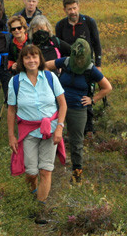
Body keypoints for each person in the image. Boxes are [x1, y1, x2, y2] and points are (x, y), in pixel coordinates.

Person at [8, 45, 67, 225]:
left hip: (51, 130)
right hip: (28, 132)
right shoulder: (16, 82)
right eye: (27, 58)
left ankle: (40, 208)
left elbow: (62, 105)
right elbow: (11, 110)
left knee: (45, 170)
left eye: (34, 57)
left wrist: (59, 128)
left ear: (40, 59)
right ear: (22, 61)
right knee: (31, 172)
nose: (31, 61)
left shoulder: (50, 77)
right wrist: (11, 136)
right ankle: (33, 191)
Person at [47, 38, 112, 184]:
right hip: (58, 106)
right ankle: (50, 168)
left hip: (78, 109)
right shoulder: (65, 61)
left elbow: (107, 87)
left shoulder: (90, 69)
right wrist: (49, 83)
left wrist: (92, 100)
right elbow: (45, 66)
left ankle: (77, 175)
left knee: (76, 142)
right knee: (52, 135)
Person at [55, 0, 104, 136]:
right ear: (64, 10)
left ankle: (88, 128)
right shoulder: (60, 25)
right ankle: (65, 124)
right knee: (66, 93)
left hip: (87, 65)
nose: (73, 11)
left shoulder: (89, 22)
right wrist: (59, 64)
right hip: (67, 65)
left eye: (74, 8)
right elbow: (58, 47)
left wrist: (98, 65)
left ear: (78, 7)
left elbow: (97, 44)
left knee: (87, 93)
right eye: (69, 9)